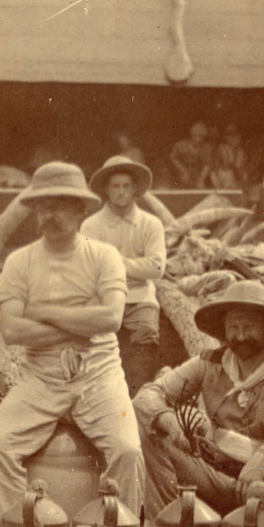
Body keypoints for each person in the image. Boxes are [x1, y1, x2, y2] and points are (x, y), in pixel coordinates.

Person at [0, 162, 145, 516]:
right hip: (40, 375)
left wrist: (42, 310)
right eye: (41, 205)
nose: (48, 214)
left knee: (128, 450)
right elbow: (12, 331)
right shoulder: (19, 262)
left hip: (99, 374)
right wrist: (82, 322)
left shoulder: (104, 256)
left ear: (81, 208)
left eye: (58, 204)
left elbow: (112, 318)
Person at [133, 280, 264, 519]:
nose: (240, 336)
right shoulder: (208, 363)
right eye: (233, 327)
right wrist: (168, 422)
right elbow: (148, 395)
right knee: (150, 431)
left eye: (249, 327)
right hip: (213, 473)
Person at [82, 155, 167, 395]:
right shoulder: (91, 226)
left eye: (126, 186)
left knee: (145, 337)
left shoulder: (151, 224)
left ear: (135, 189)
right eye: (115, 186)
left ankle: (140, 400)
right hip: (104, 297)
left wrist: (114, 263)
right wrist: (134, 268)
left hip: (140, 298)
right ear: (106, 190)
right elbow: (90, 268)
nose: (121, 192)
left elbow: (157, 268)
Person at [168, 121, 213, 189]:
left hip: (197, 172)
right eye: (196, 135)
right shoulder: (180, 145)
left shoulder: (207, 148)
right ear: (191, 135)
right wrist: (183, 171)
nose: (198, 139)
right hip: (180, 170)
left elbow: (208, 164)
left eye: (201, 136)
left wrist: (201, 179)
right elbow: (173, 157)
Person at [210, 124, 250, 190]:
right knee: (216, 174)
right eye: (230, 135)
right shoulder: (220, 148)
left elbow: (243, 167)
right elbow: (216, 166)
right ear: (226, 137)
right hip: (223, 175)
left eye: (235, 135)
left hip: (237, 178)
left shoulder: (241, 151)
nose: (234, 138)